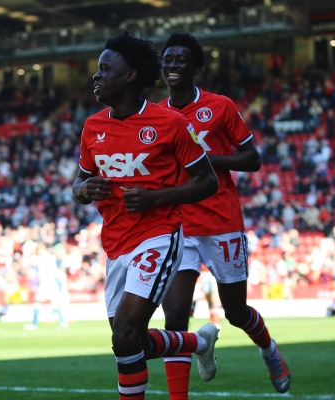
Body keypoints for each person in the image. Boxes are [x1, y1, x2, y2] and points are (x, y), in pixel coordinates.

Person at [72, 31, 220, 400]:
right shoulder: (93, 127)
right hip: (116, 243)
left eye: (106, 68)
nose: (97, 75)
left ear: (131, 76)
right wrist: (85, 190)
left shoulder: (170, 123)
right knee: (128, 342)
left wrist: (157, 197)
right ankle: (196, 341)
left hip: (159, 233)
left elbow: (207, 181)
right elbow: (80, 182)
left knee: (124, 332)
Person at [157, 32, 291, 398]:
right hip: (180, 224)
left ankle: (269, 351)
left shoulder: (220, 107)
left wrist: (201, 159)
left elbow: (253, 159)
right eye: (167, 59)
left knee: (235, 312)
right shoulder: (156, 115)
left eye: (181, 59)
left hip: (221, 221)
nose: (173, 65)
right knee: (175, 317)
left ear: (197, 67)